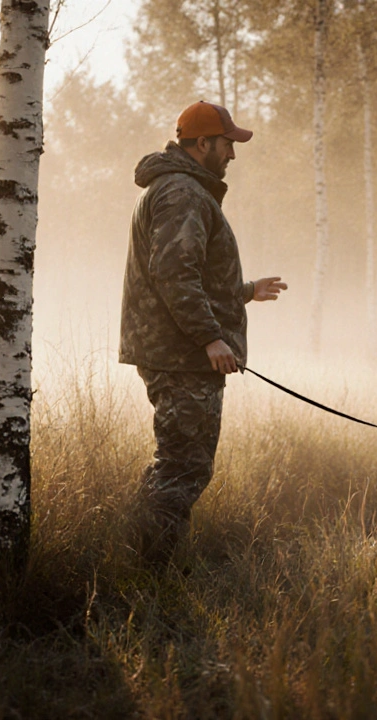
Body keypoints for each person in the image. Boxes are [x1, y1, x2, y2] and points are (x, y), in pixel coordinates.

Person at [119, 100, 286, 561]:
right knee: (183, 467)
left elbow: (191, 274)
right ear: (203, 143)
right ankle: (152, 573)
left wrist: (245, 291)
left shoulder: (181, 189)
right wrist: (211, 338)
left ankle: (136, 554)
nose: (232, 154)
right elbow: (175, 274)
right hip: (183, 357)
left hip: (179, 352)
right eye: (227, 144)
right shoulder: (183, 193)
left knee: (176, 462)